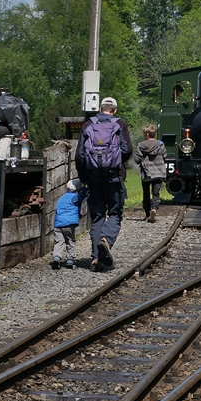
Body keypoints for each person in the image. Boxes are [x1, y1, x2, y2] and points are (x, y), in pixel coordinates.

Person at [75, 96, 131, 271]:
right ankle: (106, 240)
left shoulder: (87, 125)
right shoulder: (120, 124)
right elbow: (127, 149)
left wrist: (84, 176)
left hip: (93, 179)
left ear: (100, 109)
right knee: (115, 213)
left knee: (98, 215)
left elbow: (80, 155)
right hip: (114, 177)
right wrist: (116, 162)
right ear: (114, 110)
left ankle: (95, 258)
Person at [51, 179, 87, 270]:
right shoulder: (75, 197)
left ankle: (56, 258)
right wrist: (85, 187)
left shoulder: (62, 197)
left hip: (58, 224)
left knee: (59, 242)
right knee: (70, 241)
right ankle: (70, 260)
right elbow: (83, 196)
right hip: (69, 224)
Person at [135, 125, 167, 222]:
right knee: (156, 193)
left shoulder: (141, 145)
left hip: (146, 173)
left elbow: (137, 159)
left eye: (144, 134)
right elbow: (165, 155)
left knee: (146, 193)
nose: (144, 135)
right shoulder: (161, 144)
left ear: (147, 134)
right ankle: (154, 208)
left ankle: (147, 214)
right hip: (159, 172)